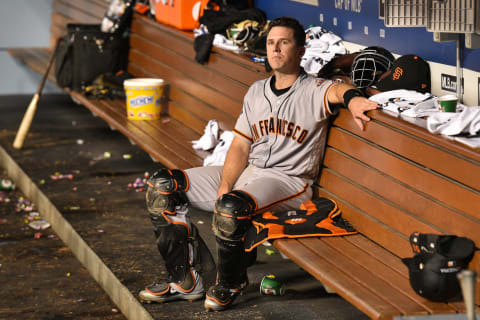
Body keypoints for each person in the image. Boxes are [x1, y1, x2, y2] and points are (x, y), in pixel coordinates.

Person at [138, 16, 379, 311]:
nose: (275, 49)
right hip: (250, 174)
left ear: (301, 51)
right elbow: (240, 145)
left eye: (284, 42)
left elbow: (339, 92)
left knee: (230, 209)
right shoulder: (256, 91)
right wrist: (225, 184)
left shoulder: (315, 89)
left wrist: (354, 99)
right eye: (270, 43)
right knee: (162, 186)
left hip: (288, 181)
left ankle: (230, 283)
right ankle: (184, 280)